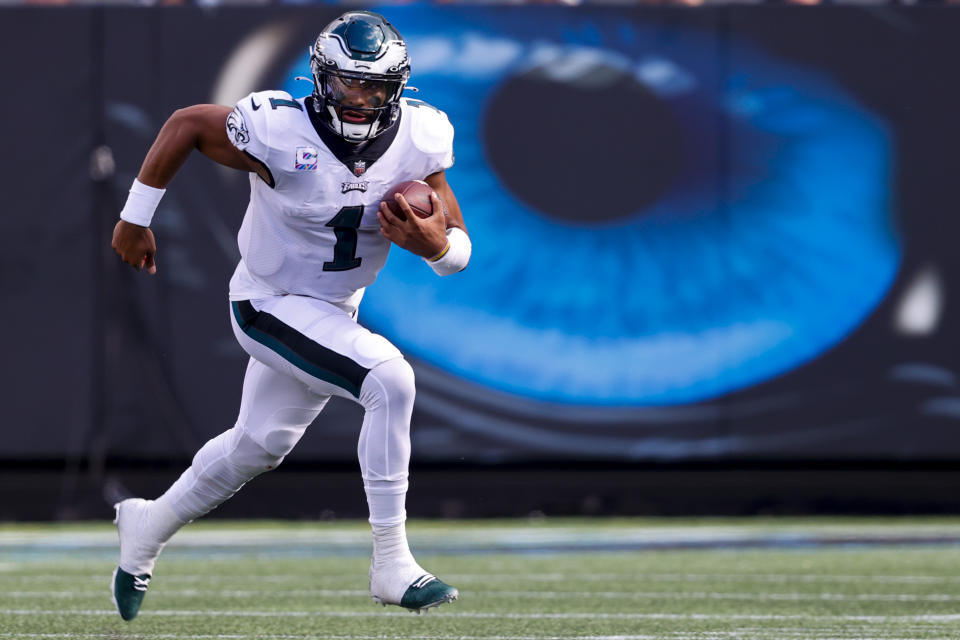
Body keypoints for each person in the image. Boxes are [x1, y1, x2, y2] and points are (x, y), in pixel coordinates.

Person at [108, 10, 470, 622]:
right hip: (267, 303)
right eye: (349, 85)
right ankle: (392, 562)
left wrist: (437, 247)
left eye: (375, 88)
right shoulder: (277, 129)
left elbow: (457, 246)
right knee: (390, 379)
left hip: (332, 309)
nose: (360, 100)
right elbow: (187, 124)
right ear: (320, 80)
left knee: (259, 445)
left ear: (397, 88)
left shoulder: (420, 136)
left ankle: (147, 524)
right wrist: (134, 217)